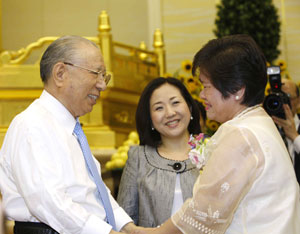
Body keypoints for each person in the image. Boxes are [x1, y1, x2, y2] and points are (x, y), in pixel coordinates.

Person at [134, 35, 300, 234]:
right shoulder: (260, 121)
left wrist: (150, 233)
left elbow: (203, 214)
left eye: (206, 86)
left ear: (237, 90)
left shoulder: (240, 134)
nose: (201, 95)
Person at [0, 35, 143, 234]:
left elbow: (94, 194)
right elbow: (50, 201)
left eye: (104, 76)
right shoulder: (32, 125)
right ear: (60, 73)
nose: (102, 85)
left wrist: (129, 228)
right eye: (96, 74)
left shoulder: (72, 130)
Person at [117, 77, 202, 227]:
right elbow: (125, 220)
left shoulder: (213, 151)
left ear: (189, 107)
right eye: (159, 108)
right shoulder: (138, 158)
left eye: (175, 102)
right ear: (150, 119)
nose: (170, 113)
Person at [272, 78, 300, 184]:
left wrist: (295, 136)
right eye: (276, 98)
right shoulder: (266, 127)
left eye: (287, 97)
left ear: (298, 101)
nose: (282, 103)